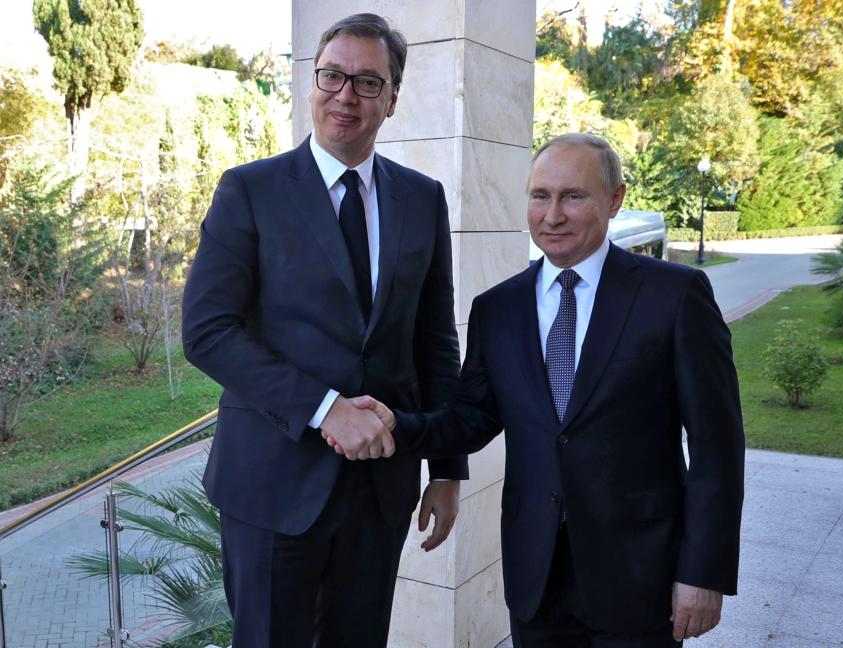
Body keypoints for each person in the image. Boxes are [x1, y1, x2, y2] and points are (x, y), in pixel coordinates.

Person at [332, 133, 745, 647]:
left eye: (574, 196)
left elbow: (717, 447)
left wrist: (703, 572)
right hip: (537, 577)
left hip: (640, 576)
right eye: (539, 196)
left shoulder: (675, 297)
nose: (553, 215)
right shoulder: (498, 309)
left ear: (614, 199)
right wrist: (402, 424)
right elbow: (471, 419)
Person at [181, 13, 466, 648]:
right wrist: (324, 408)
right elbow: (207, 331)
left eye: (368, 82)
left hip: (380, 489)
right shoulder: (249, 191)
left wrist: (447, 467)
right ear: (311, 84)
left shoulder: (423, 199)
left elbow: (434, 344)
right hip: (272, 486)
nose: (346, 95)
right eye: (332, 76)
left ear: (392, 100)